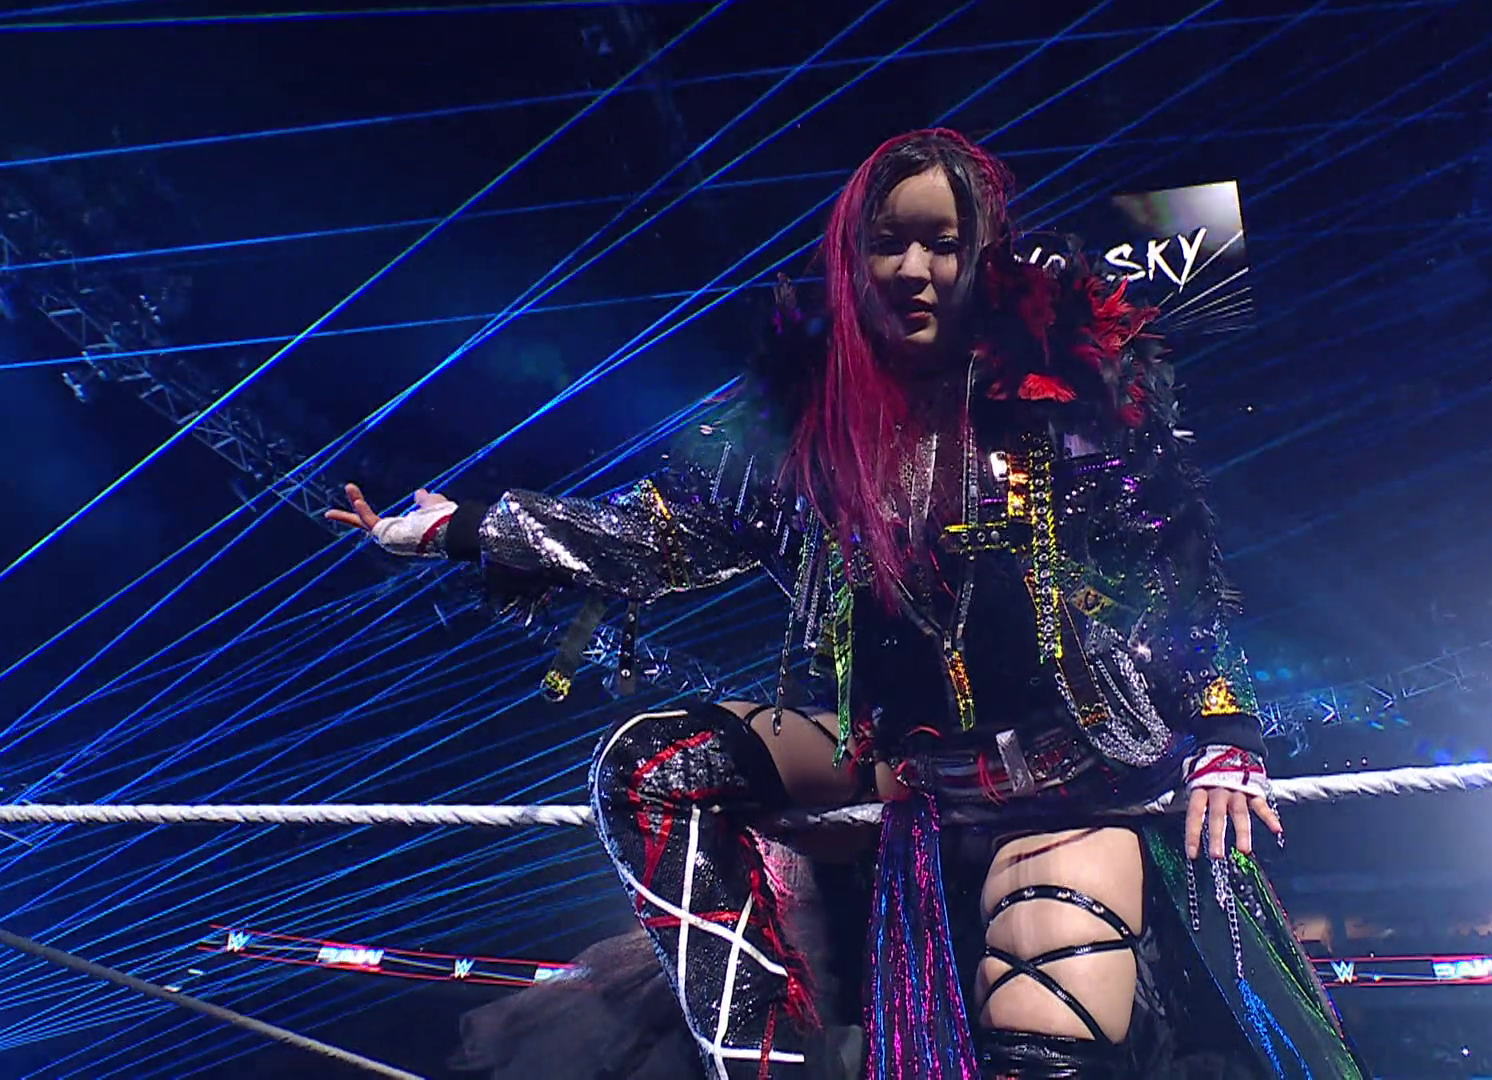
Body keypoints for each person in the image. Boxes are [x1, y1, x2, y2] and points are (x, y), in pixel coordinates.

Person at [331, 129, 1366, 1080]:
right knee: (648, 765)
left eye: (943, 245)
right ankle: (766, 1066)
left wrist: (1224, 728)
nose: (914, 270)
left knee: (1042, 1050)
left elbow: (1171, 563)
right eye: (888, 244)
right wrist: (471, 527)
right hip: (904, 764)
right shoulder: (806, 426)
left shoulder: (1066, 393)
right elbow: (662, 534)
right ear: (851, 259)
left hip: (1073, 781)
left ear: (983, 257)